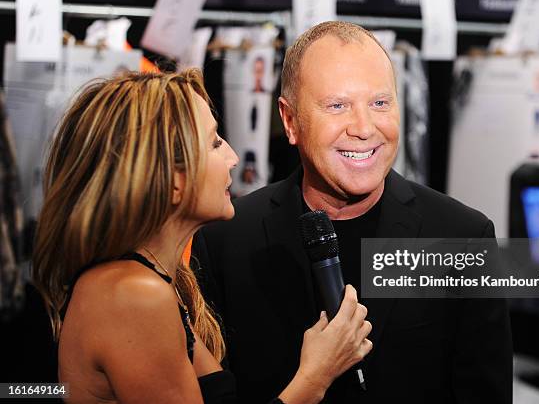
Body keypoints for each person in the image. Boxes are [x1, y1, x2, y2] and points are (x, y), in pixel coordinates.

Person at [192, 21, 513, 403]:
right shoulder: (224, 239)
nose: (364, 128)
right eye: (337, 105)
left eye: (380, 103)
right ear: (290, 120)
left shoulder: (461, 236)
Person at [31, 69, 372, 404]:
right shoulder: (132, 294)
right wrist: (315, 375)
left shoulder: (159, 281)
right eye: (214, 143)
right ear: (172, 178)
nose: (234, 158)